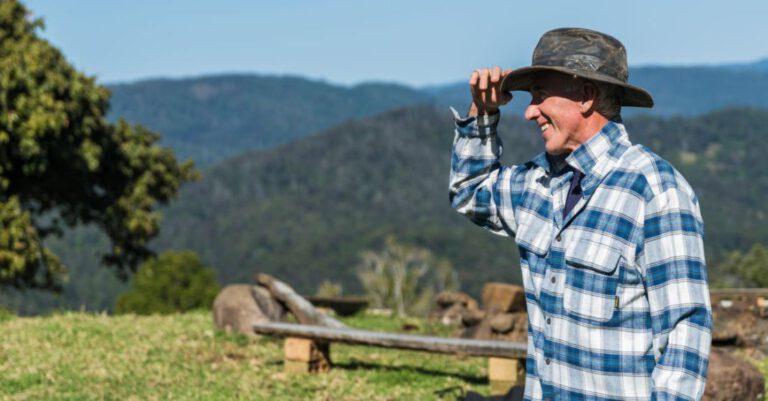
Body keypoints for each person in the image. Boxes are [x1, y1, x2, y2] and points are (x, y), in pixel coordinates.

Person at [449, 28, 712, 400]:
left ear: (585, 96)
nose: (528, 112)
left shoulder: (655, 191)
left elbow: (685, 330)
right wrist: (482, 113)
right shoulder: (535, 183)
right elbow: (469, 192)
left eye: (540, 95)